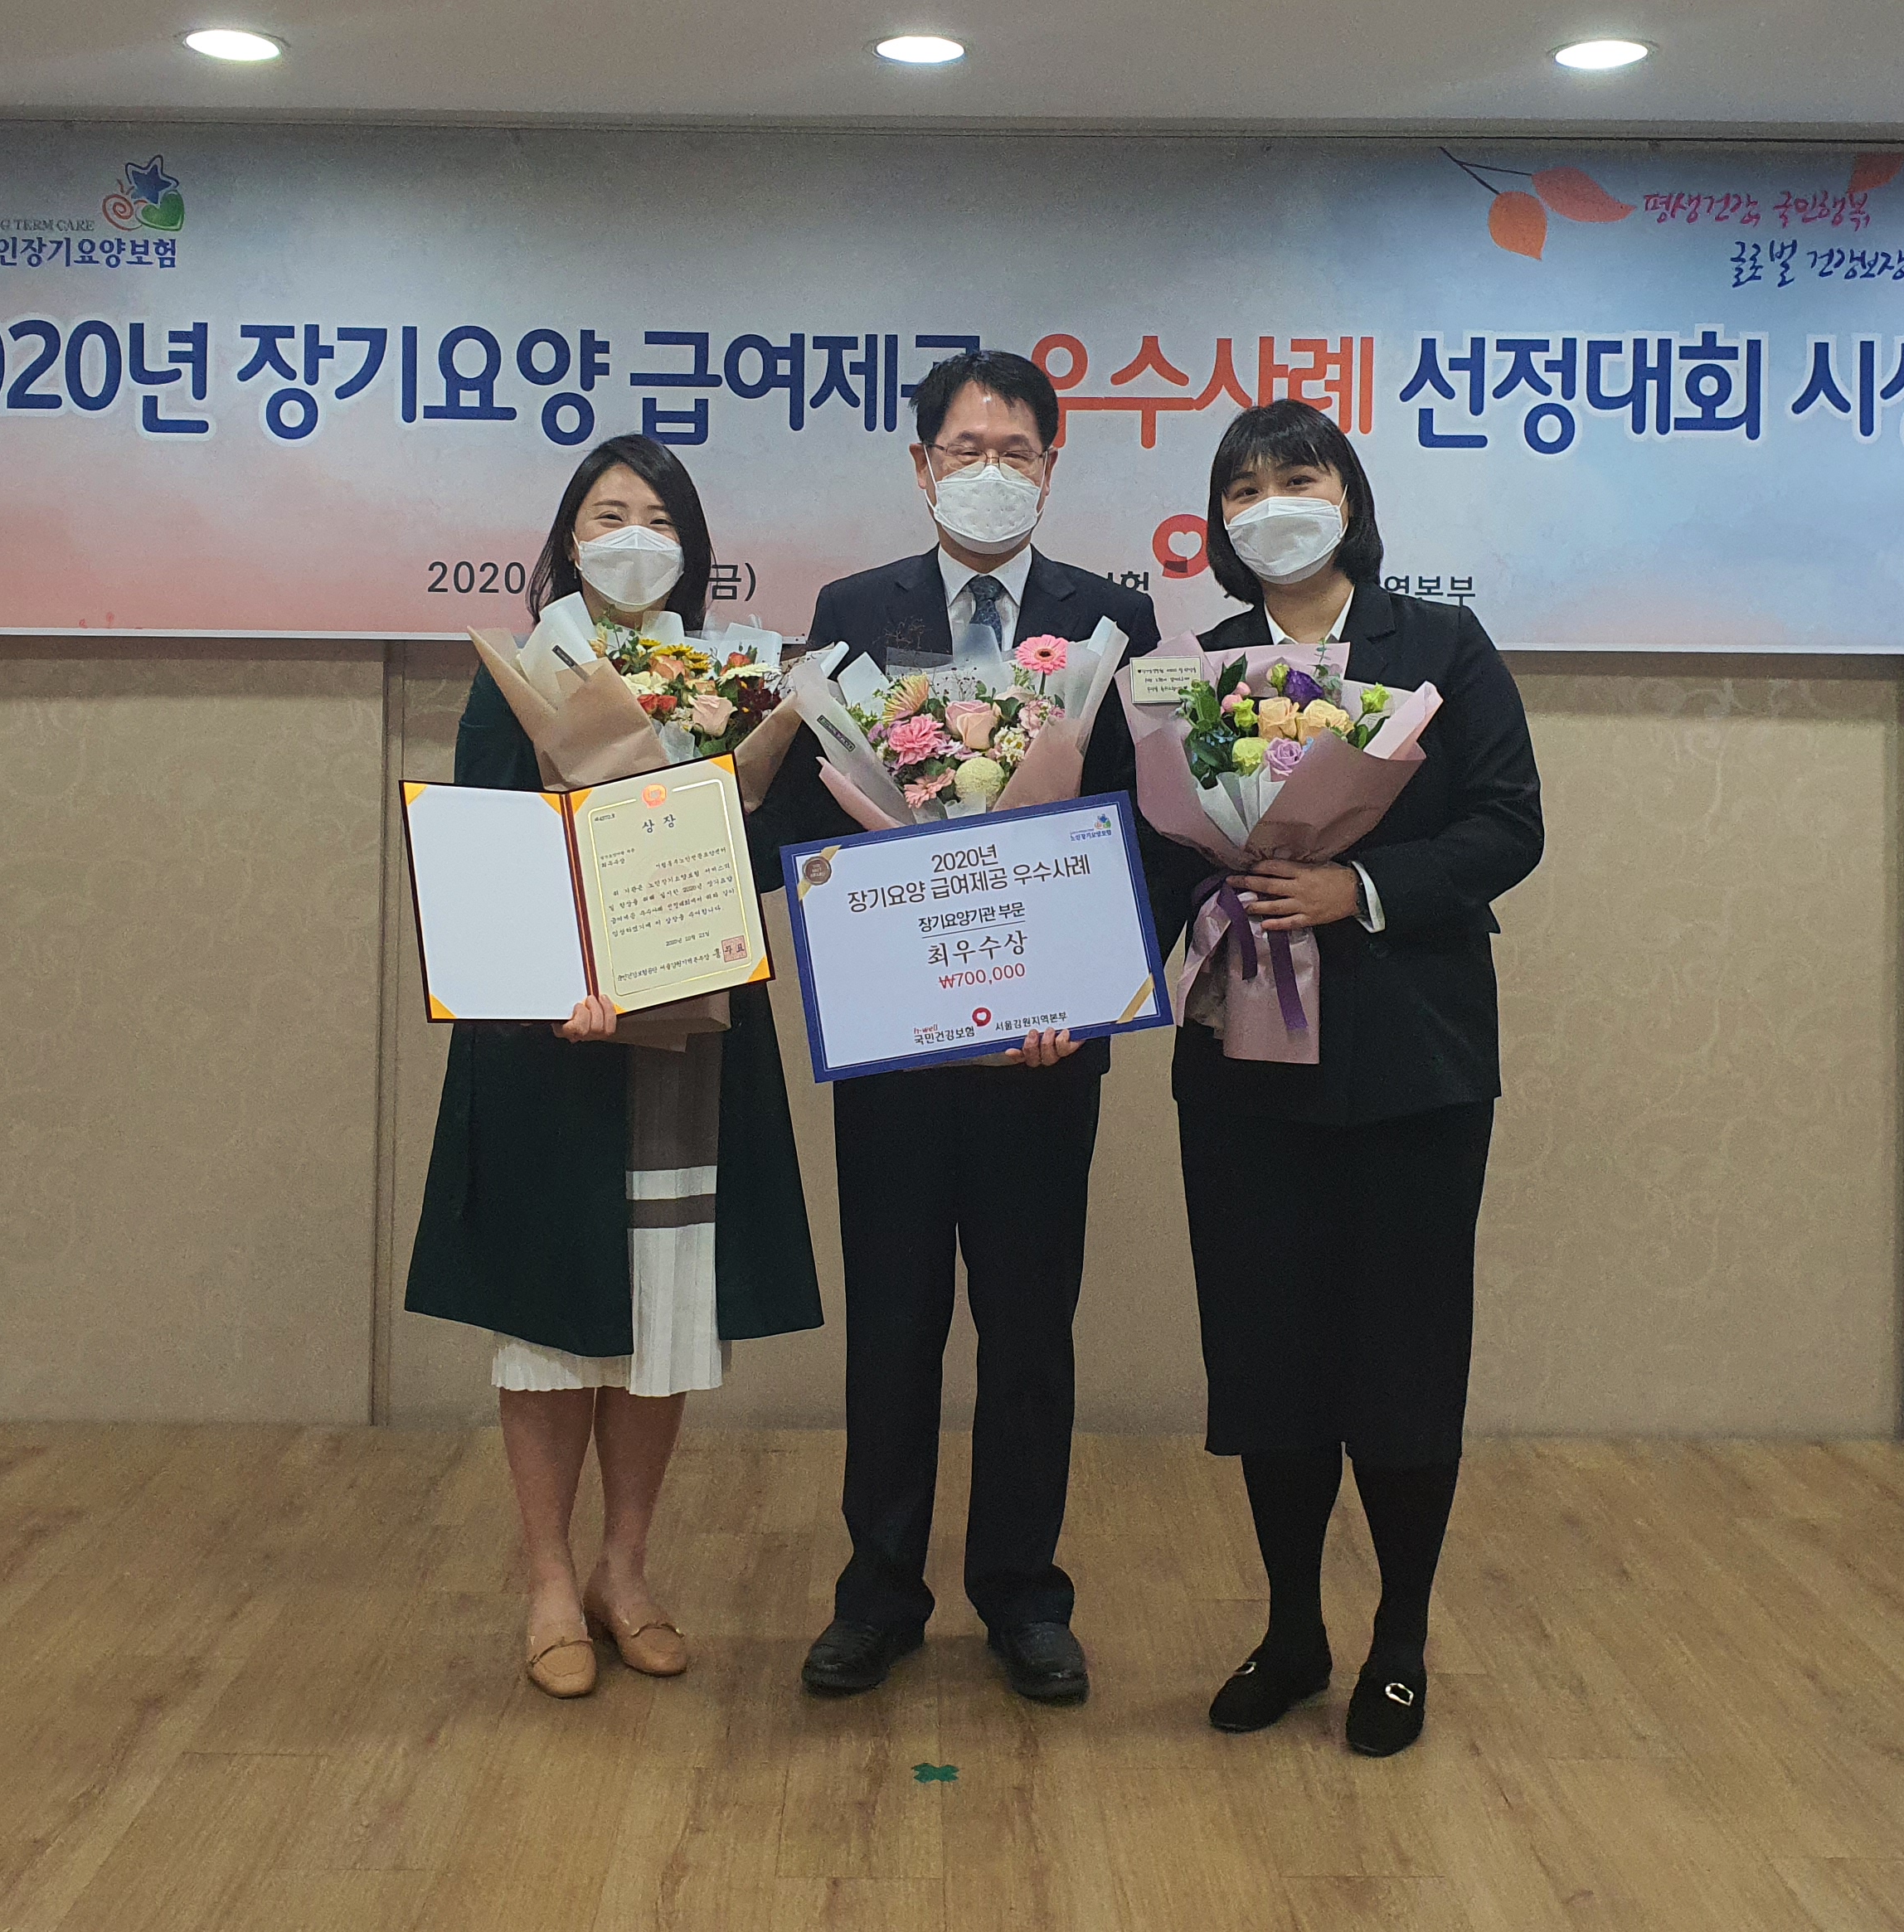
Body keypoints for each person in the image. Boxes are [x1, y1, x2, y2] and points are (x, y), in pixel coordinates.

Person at [1142, 397, 1542, 1757]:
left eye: (1298, 479)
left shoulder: (1441, 645)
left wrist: (1355, 887)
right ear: (1218, 521)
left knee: (1405, 1354)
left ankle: (1402, 1639)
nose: (1274, 507)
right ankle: (1293, 1630)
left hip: (1413, 1063)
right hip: (1245, 1066)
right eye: (1244, 489)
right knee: (1271, 1354)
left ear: (1350, 497)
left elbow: (1509, 824)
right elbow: (1154, 851)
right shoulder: (1191, 672)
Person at [762, 348, 1159, 1708]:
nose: (991, 472)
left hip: (1044, 1054)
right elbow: (814, 816)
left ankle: (1023, 1596)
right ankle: (877, 1595)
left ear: (1053, 466)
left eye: (1016, 452)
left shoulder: (1112, 620)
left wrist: (1080, 999)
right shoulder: (852, 611)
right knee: (893, 1324)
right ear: (921, 464)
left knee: (1031, 1328)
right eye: (965, 450)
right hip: (898, 1049)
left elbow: (1141, 828)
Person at [402, 435, 824, 1699]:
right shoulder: (520, 676)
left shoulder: (730, 684)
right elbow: (492, 853)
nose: (633, 536)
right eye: (607, 515)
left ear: (691, 549)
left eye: (657, 517)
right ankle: (547, 1578)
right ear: (567, 541)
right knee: (548, 1321)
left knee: (661, 1316)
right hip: (552, 1048)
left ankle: (624, 1570)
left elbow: (759, 853)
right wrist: (555, 986)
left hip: (689, 1038)